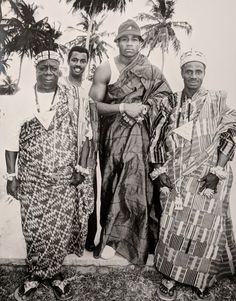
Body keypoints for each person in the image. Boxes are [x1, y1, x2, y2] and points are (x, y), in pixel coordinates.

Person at [5, 49, 96, 301]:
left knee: (59, 228)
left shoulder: (71, 99)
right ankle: (34, 274)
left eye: (52, 68)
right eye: (42, 67)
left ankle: (55, 274)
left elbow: (85, 136)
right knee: (33, 227)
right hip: (32, 177)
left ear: (60, 70)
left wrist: (80, 169)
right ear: (36, 70)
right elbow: (11, 140)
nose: (48, 72)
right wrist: (11, 176)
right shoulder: (22, 99)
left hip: (64, 177)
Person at [154, 50, 236, 300]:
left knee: (204, 229)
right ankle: (170, 276)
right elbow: (156, 138)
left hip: (207, 177)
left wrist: (217, 171)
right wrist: (160, 172)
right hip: (176, 175)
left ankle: (200, 279)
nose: (193, 76)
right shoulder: (169, 102)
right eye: (188, 71)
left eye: (198, 71)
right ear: (181, 73)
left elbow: (231, 132)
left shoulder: (216, 99)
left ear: (204, 73)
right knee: (174, 226)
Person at [89, 19, 173, 264]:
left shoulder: (152, 70)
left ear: (140, 43)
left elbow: (165, 97)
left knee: (137, 184)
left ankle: (138, 240)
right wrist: (124, 107)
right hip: (113, 137)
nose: (129, 44)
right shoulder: (106, 69)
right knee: (112, 182)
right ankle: (111, 239)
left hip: (141, 137)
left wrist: (143, 108)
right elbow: (93, 106)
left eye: (134, 39)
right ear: (117, 42)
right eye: (124, 39)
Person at [60, 45, 98, 252]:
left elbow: (92, 118)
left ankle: (86, 240)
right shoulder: (59, 85)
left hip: (86, 148)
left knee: (85, 193)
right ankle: (63, 240)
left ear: (87, 63)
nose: (78, 64)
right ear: (68, 61)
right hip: (63, 148)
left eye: (83, 61)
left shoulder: (89, 88)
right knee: (65, 194)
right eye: (75, 60)